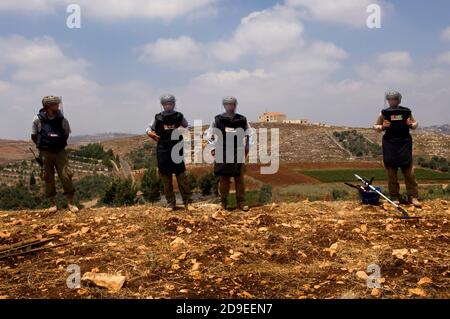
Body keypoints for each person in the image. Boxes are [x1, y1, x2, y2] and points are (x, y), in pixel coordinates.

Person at [31, 96, 79, 213]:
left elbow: (66, 134)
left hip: (60, 152)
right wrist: (43, 146)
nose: (57, 107)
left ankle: (71, 204)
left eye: (58, 104)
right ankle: (53, 204)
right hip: (45, 152)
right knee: (48, 177)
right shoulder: (37, 120)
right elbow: (34, 136)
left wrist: (57, 143)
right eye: (55, 105)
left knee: (66, 176)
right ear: (47, 106)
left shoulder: (62, 119)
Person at [374, 91, 421, 207]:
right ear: (388, 101)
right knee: (391, 173)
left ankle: (413, 196)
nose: (392, 101)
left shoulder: (406, 112)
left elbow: (415, 124)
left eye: (394, 99)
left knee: (409, 172)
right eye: (390, 99)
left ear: (398, 100)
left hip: (404, 144)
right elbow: (375, 126)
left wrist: (411, 124)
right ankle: (394, 196)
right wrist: (382, 126)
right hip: (390, 145)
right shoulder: (384, 113)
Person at [146, 94, 193, 211]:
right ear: (162, 105)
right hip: (163, 150)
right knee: (166, 179)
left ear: (174, 104)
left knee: (181, 176)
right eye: (166, 104)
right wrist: (150, 134)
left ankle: (188, 202)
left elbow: (187, 125)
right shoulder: (158, 117)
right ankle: (171, 203)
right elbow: (148, 129)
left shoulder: (179, 116)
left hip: (177, 149)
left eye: (170, 103)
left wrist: (183, 130)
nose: (168, 105)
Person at [206, 96, 254, 211]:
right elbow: (209, 133)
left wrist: (247, 147)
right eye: (227, 104)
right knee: (224, 178)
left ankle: (241, 203)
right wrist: (212, 148)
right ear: (224, 105)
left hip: (238, 151)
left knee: (239, 178)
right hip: (222, 150)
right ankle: (223, 202)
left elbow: (250, 133)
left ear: (235, 105)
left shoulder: (242, 119)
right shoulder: (217, 119)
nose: (229, 106)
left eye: (232, 104)